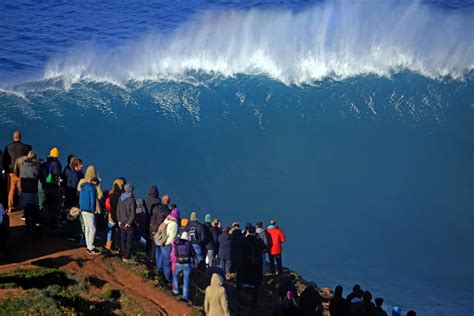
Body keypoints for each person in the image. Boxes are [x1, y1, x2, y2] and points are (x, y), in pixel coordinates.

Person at [3, 131, 31, 212]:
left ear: (13, 137)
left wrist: (6, 171)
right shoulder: (25, 147)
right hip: (21, 171)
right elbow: (29, 157)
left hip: (11, 172)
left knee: (11, 190)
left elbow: (5, 160)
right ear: (20, 137)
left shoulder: (8, 147)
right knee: (22, 189)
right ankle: (23, 207)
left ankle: (9, 207)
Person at [236, 225, 266, 304]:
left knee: (241, 280)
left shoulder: (243, 240)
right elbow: (264, 249)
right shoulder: (259, 241)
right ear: (255, 232)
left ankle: (239, 298)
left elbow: (239, 249)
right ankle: (254, 301)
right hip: (256, 265)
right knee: (256, 284)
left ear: (248, 231)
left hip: (245, 264)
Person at [17, 151, 41, 231]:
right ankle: (34, 224)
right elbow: (38, 175)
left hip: (24, 190)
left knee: (26, 208)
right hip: (33, 190)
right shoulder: (35, 167)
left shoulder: (23, 166)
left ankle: (27, 225)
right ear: (34, 158)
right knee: (34, 208)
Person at [41, 147, 63, 230]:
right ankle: (53, 224)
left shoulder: (46, 163)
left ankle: (45, 222)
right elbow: (58, 174)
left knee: (46, 204)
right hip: (54, 187)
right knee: (54, 206)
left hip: (46, 186)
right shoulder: (57, 164)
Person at [79, 177, 100, 255]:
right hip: (89, 210)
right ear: (95, 182)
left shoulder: (83, 187)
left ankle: (89, 246)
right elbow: (92, 200)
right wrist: (93, 210)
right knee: (93, 228)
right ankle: (91, 247)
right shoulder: (92, 188)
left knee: (87, 228)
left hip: (83, 209)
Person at [172, 231, 196, 302]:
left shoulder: (177, 243)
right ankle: (184, 297)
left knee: (175, 275)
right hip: (187, 263)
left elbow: (175, 254)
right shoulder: (189, 244)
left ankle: (176, 291)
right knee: (186, 279)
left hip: (179, 262)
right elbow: (193, 253)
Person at [149, 198, 171, 274]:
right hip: (160, 231)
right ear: (168, 202)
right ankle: (159, 266)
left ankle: (152, 260)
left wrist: (151, 225)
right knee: (160, 249)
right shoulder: (167, 211)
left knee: (154, 246)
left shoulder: (155, 208)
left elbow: (152, 216)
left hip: (153, 228)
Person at [117, 184, 136, 262]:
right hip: (128, 224)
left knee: (123, 238)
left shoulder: (121, 198)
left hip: (121, 222)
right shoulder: (131, 199)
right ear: (131, 190)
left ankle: (122, 253)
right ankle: (126, 257)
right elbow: (133, 213)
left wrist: (119, 220)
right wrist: (129, 222)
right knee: (129, 240)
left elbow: (117, 210)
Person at [105, 178, 125, 250]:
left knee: (109, 230)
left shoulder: (111, 194)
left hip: (111, 216)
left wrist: (109, 211)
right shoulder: (124, 195)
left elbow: (107, 204)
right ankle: (118, 246)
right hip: (120, 217)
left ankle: (108, 244)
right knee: (119, 231)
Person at [160, 209, 179, 283]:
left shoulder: (166, 220)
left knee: (163, 259)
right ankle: (167, 278)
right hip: (167, 244)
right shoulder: (174, 224)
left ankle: (162, 273)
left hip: (162, 242)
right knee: (167, 262)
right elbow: (172, 237)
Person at [143, 185, 160, 261]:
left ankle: (147, 253)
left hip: (146, 220)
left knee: (147, 238)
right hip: (154, 222)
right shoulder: (158, 201)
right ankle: (152, 257)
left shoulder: (145, 199)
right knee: (153, 240)